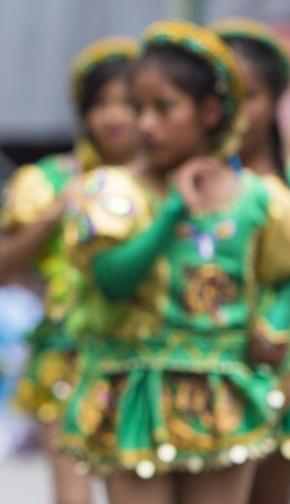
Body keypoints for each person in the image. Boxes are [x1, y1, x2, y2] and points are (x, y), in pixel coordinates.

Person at [59, 20, 290, 504]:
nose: (145, 124)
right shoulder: (113, 190)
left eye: (164, 108)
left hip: (224, 392)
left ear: (209, 112)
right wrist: (171, 214)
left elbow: (283, 277)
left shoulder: (258, 200)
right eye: (139, 108)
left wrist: (273, 324)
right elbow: (111, 280)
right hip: (135, 396)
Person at [0, 36, 142, 504]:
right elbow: (2, 263)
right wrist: (58, 209)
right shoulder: (52, 178)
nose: (114, 116)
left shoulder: (163, 182)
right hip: (65, 357)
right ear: (84, 112)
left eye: (128, 104)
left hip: (140, 356)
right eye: (101, 104)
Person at [210, 17, 290, 504]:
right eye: (222, 97)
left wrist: (277, 327)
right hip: (202, 376)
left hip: (277, 369)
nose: (236, 113)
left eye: (251, 96)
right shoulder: (181, 188)